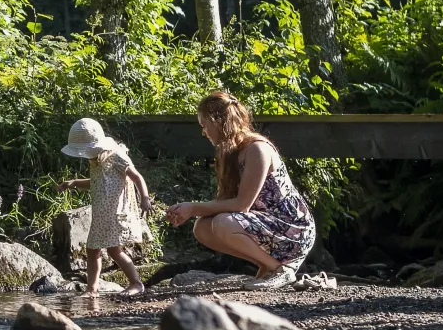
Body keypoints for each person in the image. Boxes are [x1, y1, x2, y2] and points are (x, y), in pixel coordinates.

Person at [164, 91, 316, 289]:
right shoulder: (230, 153)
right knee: (202, 227)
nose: (203, 132)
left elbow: (241, 205)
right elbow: (224, 202)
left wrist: (192, 208)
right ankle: (266, 267)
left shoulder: (256, 149)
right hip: (266, 225)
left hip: (292, 230)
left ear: (217, 121)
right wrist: (189, 212)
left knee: (221, 222)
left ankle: (281, 271)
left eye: (204, 125)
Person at [59, 118, 154, 296]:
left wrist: (145, 198)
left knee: (114, 251)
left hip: (115, 212)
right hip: (101, 214)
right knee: (92, 250)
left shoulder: (116, 156)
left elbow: (137, 177)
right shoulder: (96, 161)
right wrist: (73, 183)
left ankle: (136, 283)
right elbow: (95, 183)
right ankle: (92, 289)